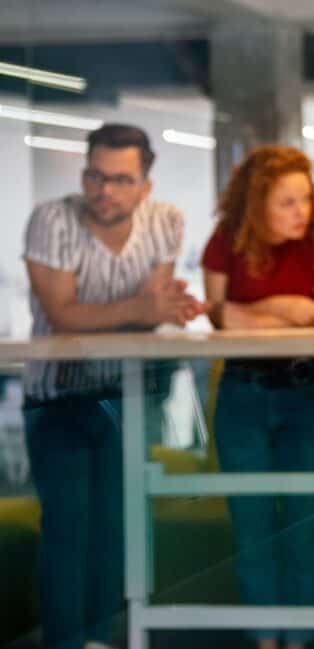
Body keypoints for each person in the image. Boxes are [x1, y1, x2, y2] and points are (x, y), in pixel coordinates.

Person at [22, 123, 204, 649]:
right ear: (84, 174)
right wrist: (139, 309)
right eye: (96, 177)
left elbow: (150, 317)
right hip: (56, 398)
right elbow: (61, 315)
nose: (104, 190)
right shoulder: (52, 220)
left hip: (126, 395)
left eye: (121, 180)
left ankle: (101, 639)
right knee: (67, 528)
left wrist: (148, 310)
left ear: (145, 186)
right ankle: (64, 643)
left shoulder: (165, 221)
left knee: (115, 528)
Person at [201, 145, 314, 649]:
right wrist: (282, 305)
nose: (300, 212)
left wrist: (251, 312)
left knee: (306, 527)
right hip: (243, 394)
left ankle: (302, 639)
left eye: (305, 199)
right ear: (256, 205)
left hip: (308, 393)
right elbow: (219, 315)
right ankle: (266, 640)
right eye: (286, 202)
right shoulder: (226, 240)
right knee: (252, 528)